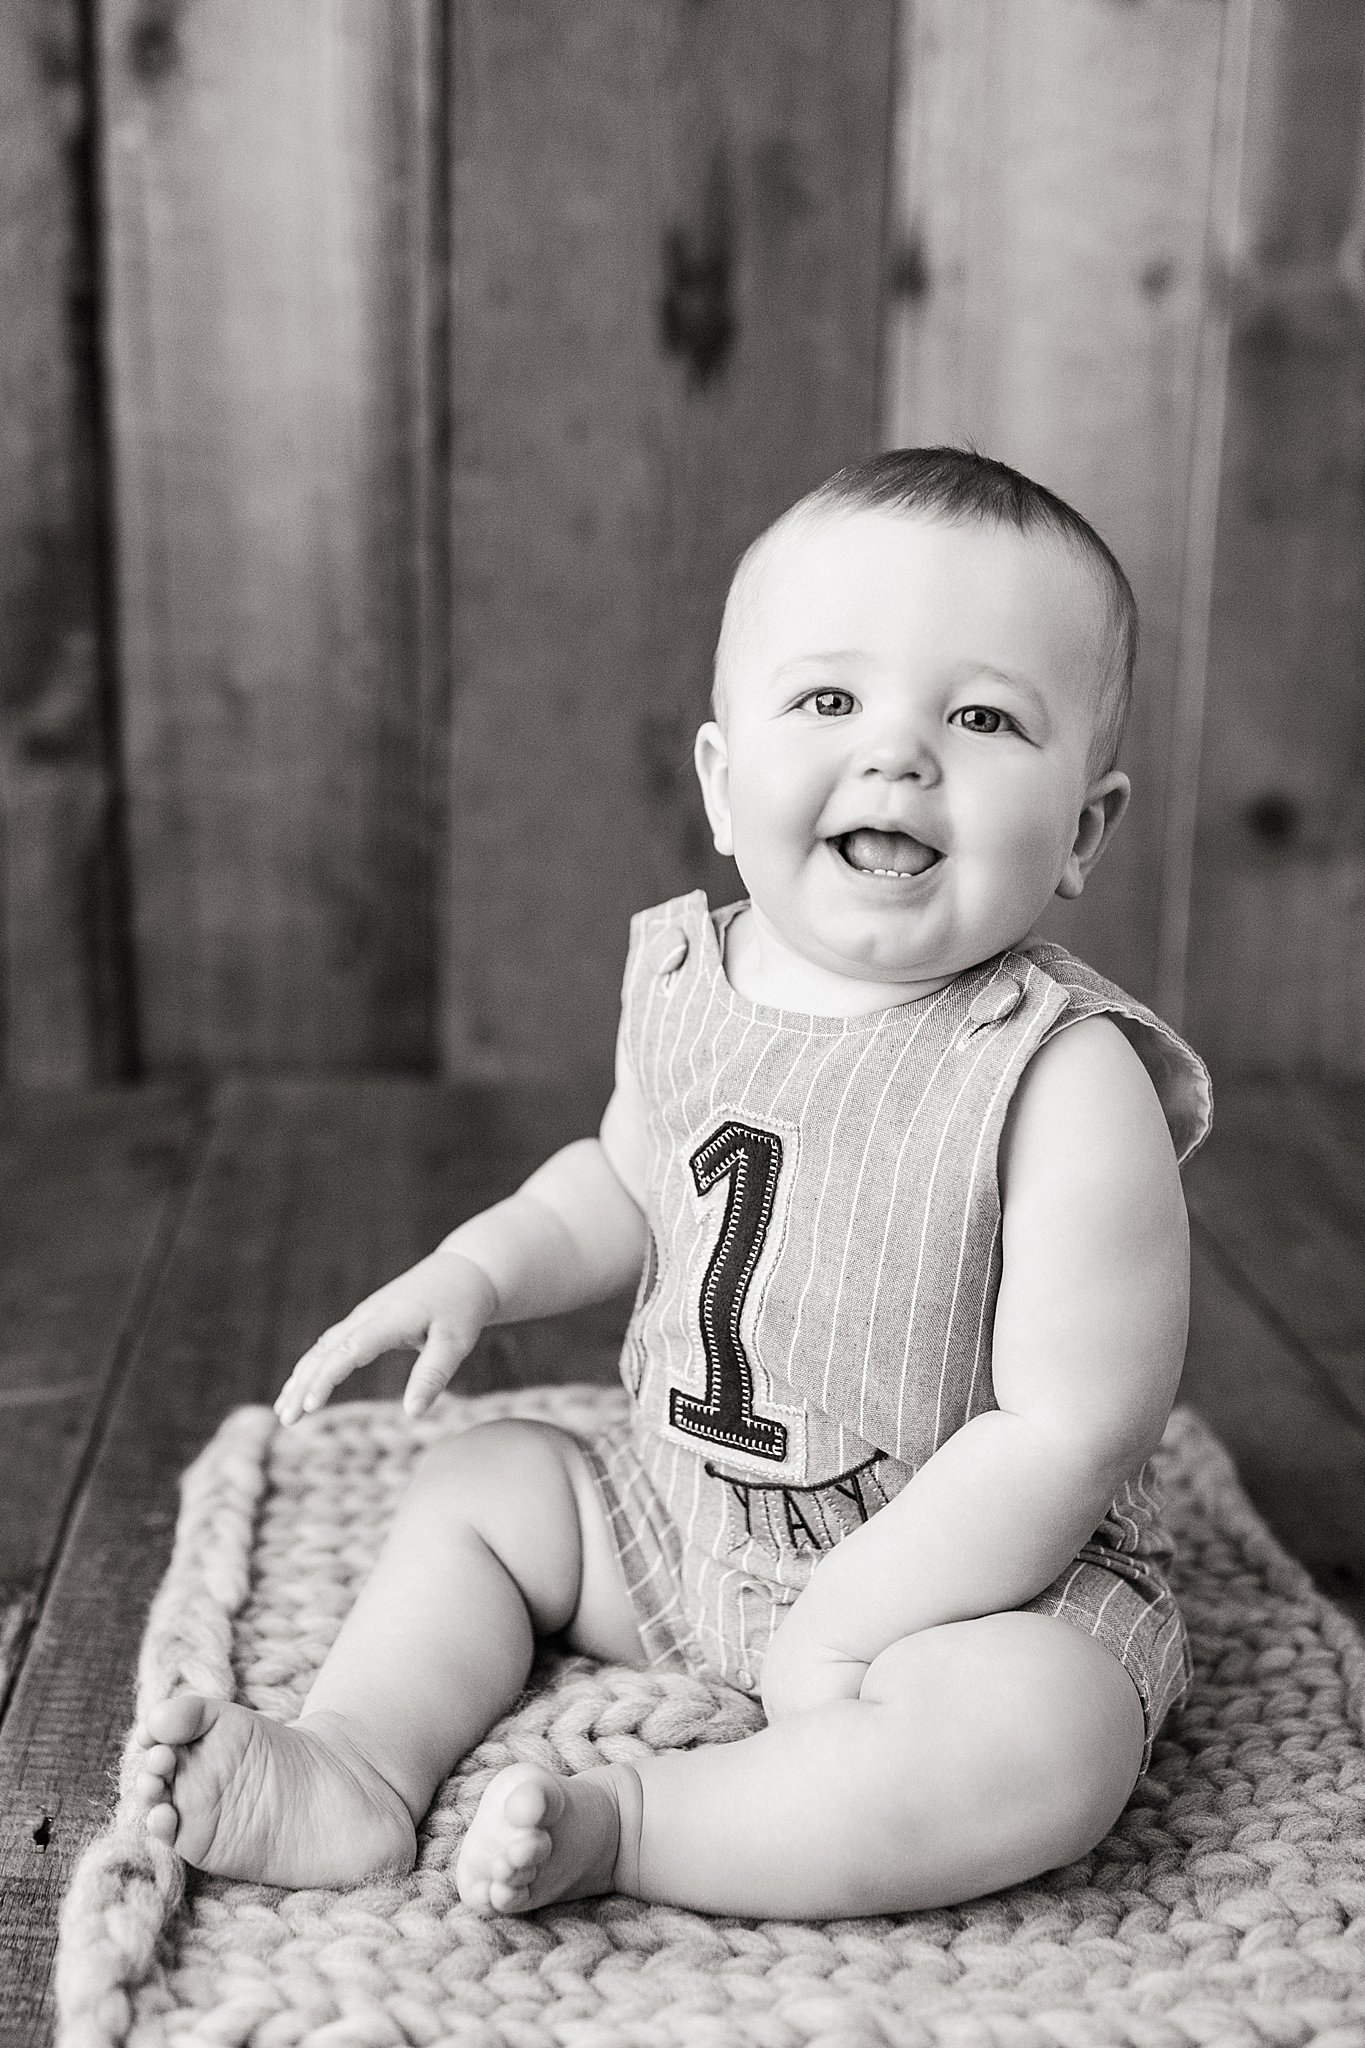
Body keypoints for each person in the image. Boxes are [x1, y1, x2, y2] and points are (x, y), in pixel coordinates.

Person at [134, 447, 1211, 1920]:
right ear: (720, 782)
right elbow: (625, 1179)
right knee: (488, 1483)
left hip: (962, 1581)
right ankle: (357, 1765)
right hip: (686, 1520)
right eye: (829, 701)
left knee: (1046, 1736)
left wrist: (849, 1620)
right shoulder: (696, 978)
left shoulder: (1058, 1075)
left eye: (978, 716)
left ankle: (635, 1827)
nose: (896, 755)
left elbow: (1071, 1429)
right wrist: (482, 1268)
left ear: (1082, 829)